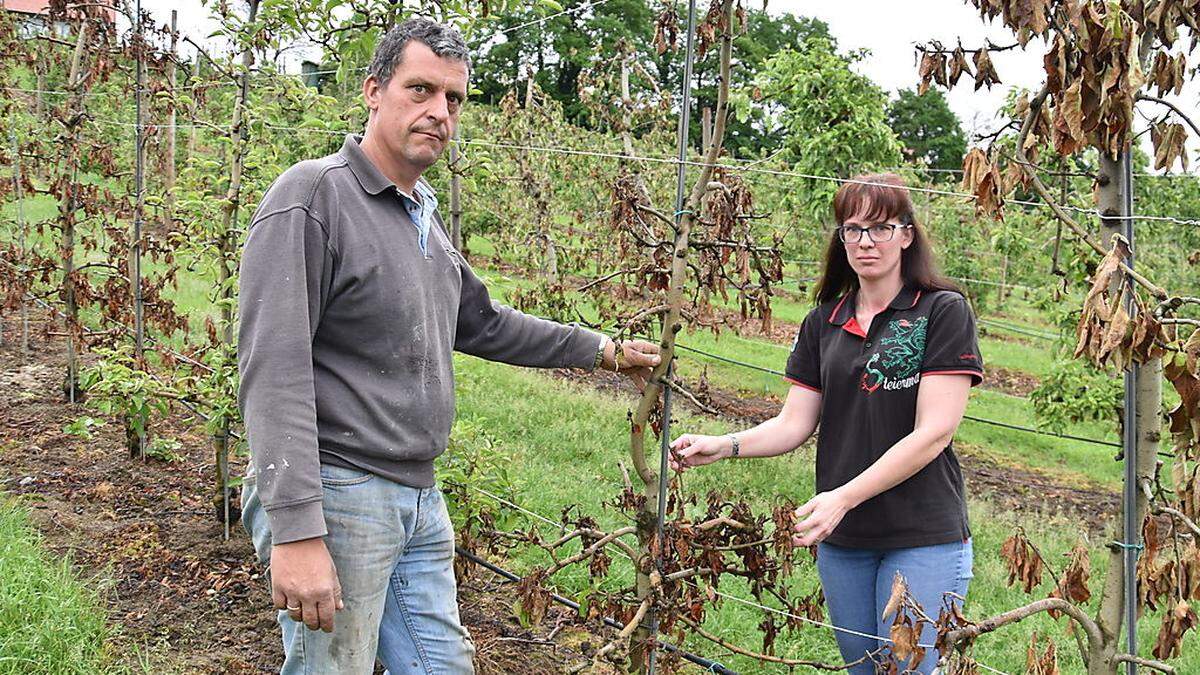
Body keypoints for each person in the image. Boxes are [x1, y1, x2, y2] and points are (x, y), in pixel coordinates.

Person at [236, 18, 661, 674]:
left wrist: (599, 348)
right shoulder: (315, 196)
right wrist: (296, 531)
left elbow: (484, 322)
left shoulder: (420, 213)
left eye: (453, 98)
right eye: (420, 89)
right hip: (342, 490)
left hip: (416, 499)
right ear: (374, 90)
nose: (438, 111)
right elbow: (273, 367)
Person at [669, 174, 982, 674]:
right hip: (845, 540)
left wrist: (843, 496)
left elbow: (934, 432)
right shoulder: (824, 321)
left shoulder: (941, 311)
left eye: (880, 228)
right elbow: (795, 423)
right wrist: (723, 444)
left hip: (922, 531)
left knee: (906, 670)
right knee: (862, 669)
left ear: (906, 235)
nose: (864, 242)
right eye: (852, 229)